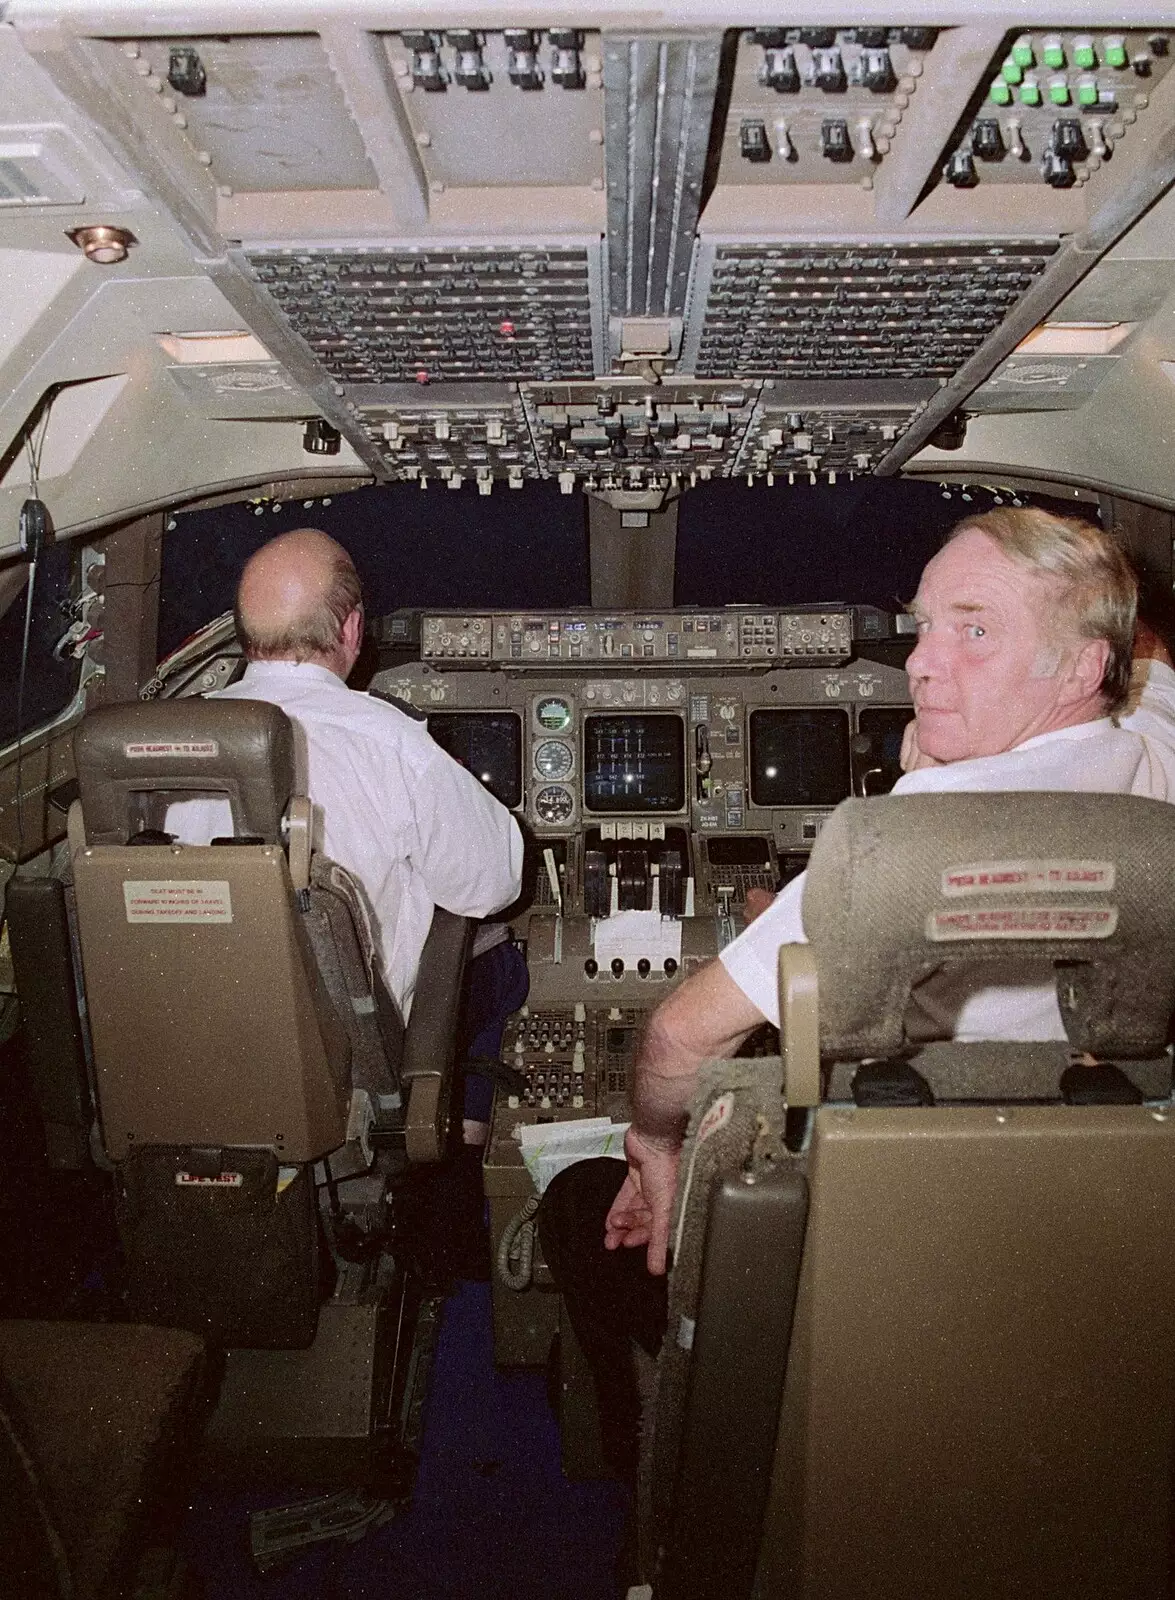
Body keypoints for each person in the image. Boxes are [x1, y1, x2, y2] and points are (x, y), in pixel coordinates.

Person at [539, 505, 1175, 1477]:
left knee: (584, 1201)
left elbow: (674, 1041)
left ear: (1084, 665)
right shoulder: (1158, 766)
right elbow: (1152, 668)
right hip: (1084, 1206)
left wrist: (654, 1144)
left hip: (880, 1212)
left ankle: (643, 1430)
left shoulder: (897, 842)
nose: (919, 664)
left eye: (973, 629)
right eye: (921, 625)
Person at [165, 528, 525, 1035]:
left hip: (202, 1042)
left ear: (245, 635)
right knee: (503, 966)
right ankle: (456, 1116)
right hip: (354, 1066)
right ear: (353, 628)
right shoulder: (390, 741)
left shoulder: (160, 745)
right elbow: (495, 884)